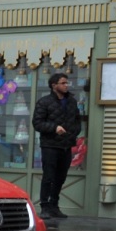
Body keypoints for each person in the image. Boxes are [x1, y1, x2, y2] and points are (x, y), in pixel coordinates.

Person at [31, 72, 81, 220]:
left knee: (61, 177)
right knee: (49, 177)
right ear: (54, 86)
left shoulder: (71, 102)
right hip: (50, 145)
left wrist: (73, 133)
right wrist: (54, 128)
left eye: (67, 83)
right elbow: (37, 123)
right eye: (63, 83)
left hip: (66, 145)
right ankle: (45, 206)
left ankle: (54, 205)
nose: (66, 86)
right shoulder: (44, 102)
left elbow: (77, 121)